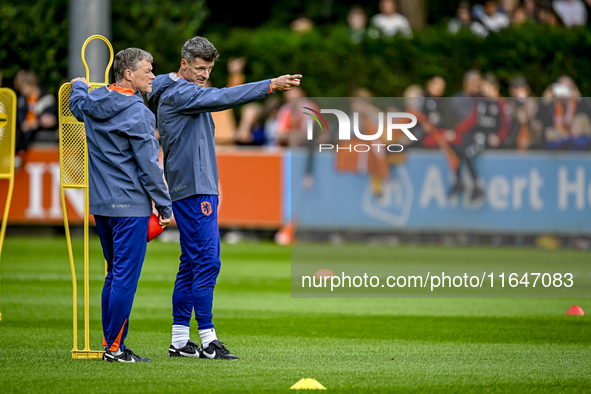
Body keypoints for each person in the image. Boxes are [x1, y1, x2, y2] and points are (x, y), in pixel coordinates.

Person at [148, 36, 301, 360]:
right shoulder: (180, 93)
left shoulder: (173, 87)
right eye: (200, 68)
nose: (204, 75)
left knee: (191, 263)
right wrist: (269, 85)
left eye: (209, 68)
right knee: (207, 261)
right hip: (194, 188)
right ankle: (208, 339)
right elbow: (224, 97)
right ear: (184, 64)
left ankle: (179, 341)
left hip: (194, 185)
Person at [69, 48, 173, 363]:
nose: (153, 74)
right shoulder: (140, 113)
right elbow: (149, 167)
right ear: (128, 74)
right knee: (123, 277)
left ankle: (111, 344)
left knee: (113, 274)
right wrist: (166, 207)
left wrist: (78, 83)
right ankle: (114, 348)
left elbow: (76, 105)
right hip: (131, 207)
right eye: (148, 69)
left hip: (102, 206)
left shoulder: (91, 101)